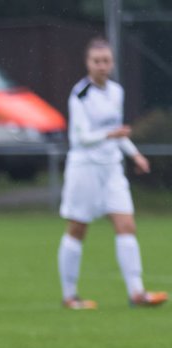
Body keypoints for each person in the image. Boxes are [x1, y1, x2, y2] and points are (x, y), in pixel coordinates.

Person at [57, 38, 166, 310]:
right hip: (85, 168)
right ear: (88, 64)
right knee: (77, 228)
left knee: (126, 225)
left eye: (106, 61)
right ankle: (70, 296)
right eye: (97, 61)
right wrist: (110, 135)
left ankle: (137, 293)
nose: (102, 66)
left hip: (112, 168)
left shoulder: (116, 91)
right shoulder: (80, 95)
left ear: (112, 63)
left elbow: (117, 132)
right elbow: (81, 137)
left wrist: (135, 154)